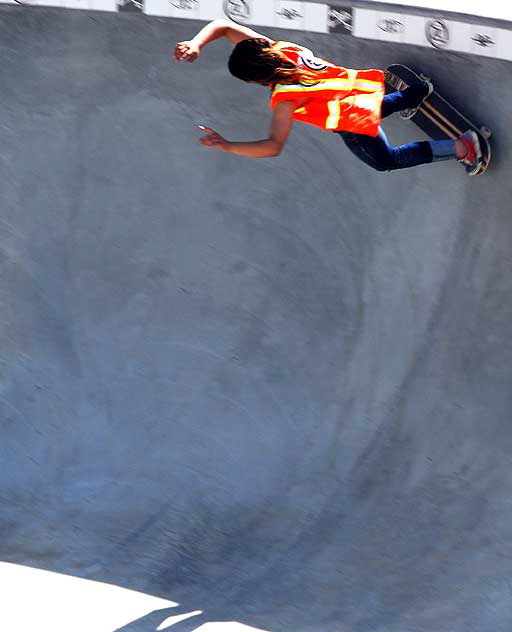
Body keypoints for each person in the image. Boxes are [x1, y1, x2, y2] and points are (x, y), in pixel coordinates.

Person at [174, 18, 482, 175]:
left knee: (386, 160)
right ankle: (416, 93)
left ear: (257, 79)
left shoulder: (285, 99)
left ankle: (461, 147)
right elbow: (225, 26)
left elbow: (272, 147)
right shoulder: (280, 49)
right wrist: (196, 42)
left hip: (351, 121)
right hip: (358, 92)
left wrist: (227, 145)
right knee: (375, 108)